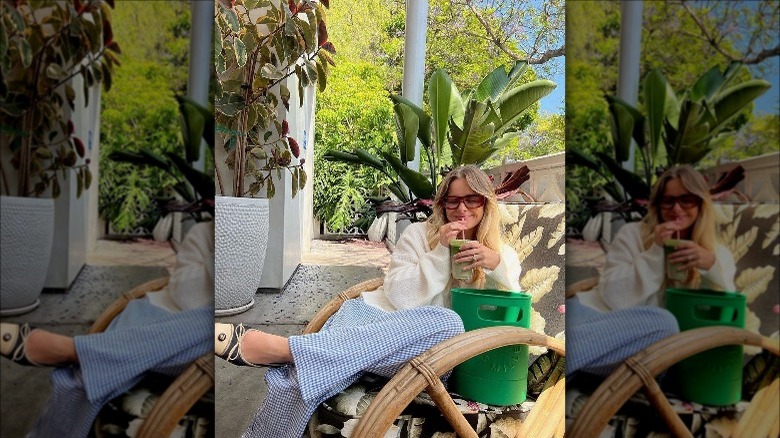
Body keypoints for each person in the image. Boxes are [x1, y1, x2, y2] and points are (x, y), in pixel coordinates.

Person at [215, 164, 523, 438]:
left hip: (428, 353)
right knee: (305, 377)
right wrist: (441, 251)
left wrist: (494, 264)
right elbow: (400, 296)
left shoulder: (501, 256)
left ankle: (285, 349)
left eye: (472, 199)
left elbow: (515, 313)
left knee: (450, 323)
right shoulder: (419, 235)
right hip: (369, 317)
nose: (461, 209)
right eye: (452, 200)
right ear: (442, 204)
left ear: (486, 203)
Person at [0, 221, 215, 437]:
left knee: (216, 325)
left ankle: (75, 351)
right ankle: (85, 355)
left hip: (206, 339)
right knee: (86, 379)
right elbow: (185, 295)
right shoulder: (203, 232)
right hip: (161, 317)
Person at [566, 165, 736, 376]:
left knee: (665, 325)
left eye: (686, 200)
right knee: (663, 326)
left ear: (701, 203)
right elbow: (612, 296)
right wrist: (656, 251)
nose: (676, 208)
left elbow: (726, 317)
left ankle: (560, 359)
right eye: (668, 201)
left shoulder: (716, 255)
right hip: (594, 316)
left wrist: (710, 267)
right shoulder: (633, 234)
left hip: (645, 344)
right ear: (658, 205)